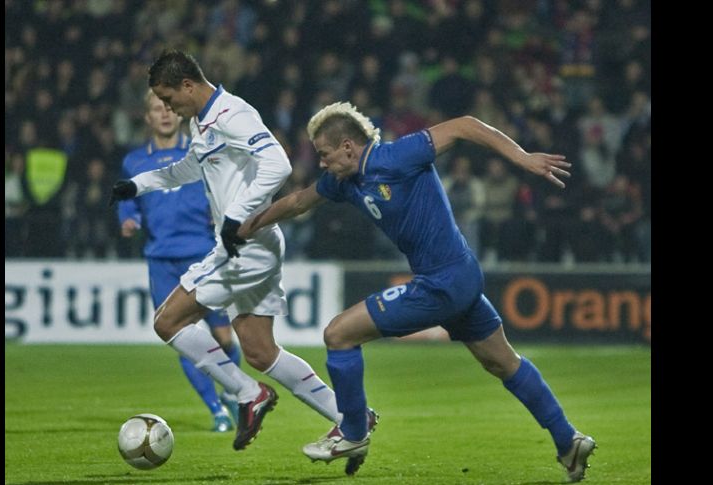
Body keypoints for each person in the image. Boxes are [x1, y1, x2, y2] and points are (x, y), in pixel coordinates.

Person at [239, 102, 597, 481]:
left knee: (338, 334)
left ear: (347, 146)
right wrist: (246, 227)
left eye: (325, 155)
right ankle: (568, 440)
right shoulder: (343, 183)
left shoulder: (398, 156)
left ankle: (354, 432)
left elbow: (464, 123)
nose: (322, 164)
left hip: (442, 281)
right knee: (502, 362)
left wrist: (521, 157)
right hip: (457, 276)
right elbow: (298, 201)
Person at [109, 50, 376, 452]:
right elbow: (190, 168)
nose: (168, 108)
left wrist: (236, 215)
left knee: (168, 322)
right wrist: (138, 185)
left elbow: (278, 164)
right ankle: (350, 417)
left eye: (168, 98)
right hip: (253, 243)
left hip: (243, 244)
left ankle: (247, 395)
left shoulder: (232, 114)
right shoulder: (202, 121)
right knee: (260, 351)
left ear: (187, 85)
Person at [117, 89, 242, 432]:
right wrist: (128, 219)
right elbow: (128, 202)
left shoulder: (199, 150)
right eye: (157, 108)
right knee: (183, 339)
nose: (165, 114)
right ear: (148, 117)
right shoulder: (133, 162)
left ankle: (234, 392)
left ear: (179, 114)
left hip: (203, 254)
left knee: (225, 339)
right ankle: (216, 409)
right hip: (161, 261)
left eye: (169, 107)